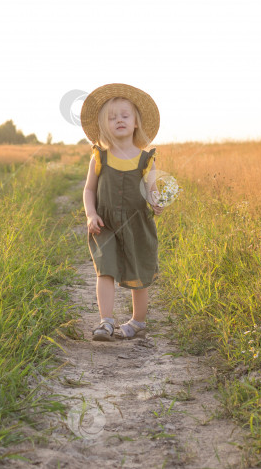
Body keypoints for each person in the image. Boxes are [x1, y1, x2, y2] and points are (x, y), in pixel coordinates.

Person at [79, 83, 165, 341]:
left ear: (136, 122)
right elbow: (88, 190)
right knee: (105, 269)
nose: (119, 120)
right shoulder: (100, 157)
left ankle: (138, 321)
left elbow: (152, 188)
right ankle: (106, 321)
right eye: (112, 117)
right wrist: (90, 214)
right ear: (104, 125)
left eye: (124, 116)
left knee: (139, 272)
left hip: (137, 223)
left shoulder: (144, 158)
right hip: (104, 223)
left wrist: (156, 201)